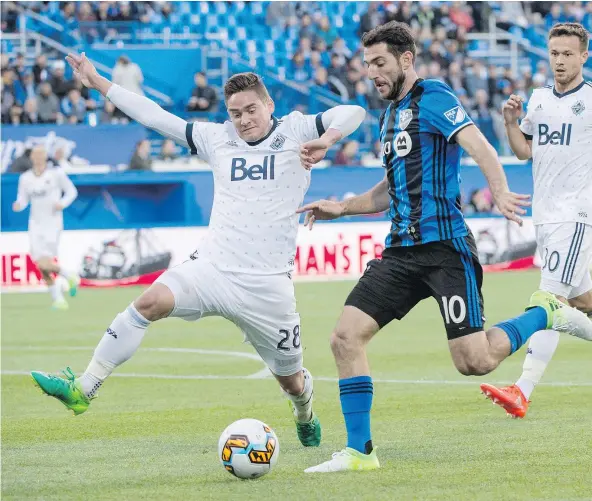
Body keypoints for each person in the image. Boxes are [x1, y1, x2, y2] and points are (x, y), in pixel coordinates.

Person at [30, 53, 366, 449]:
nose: (243, 119)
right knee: (148, 302)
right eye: (235, 112)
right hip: (212, 269)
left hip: (268, 285)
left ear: (269, 104)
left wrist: (327, 139)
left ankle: (303, 410)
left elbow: (354, 110)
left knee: (291, 379)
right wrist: (99, 82)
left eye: (251, 109)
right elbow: (155, 116)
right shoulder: (216, 138)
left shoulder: (296, 130)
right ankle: (84, 389)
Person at [299, 21, 591, 473]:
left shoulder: (434, 97)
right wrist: (343, 207)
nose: (371, 73)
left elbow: (481, 146)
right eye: (367, 64)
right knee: (344, 337)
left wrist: (497, 189)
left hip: (446, 250)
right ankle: (360, 452)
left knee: (474, 362)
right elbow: (386, 192)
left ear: (406, 59)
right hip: (400, 252)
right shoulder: (390, 115)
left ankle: (545, 314)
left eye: (379, 63)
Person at [481, 23, 592, 418]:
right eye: (554, 54)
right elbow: (524, 151)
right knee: (581, 302)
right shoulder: (539, 99)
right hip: (546, 218)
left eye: (567, 54)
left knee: (549, 301)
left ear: (584, 55)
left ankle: (522, 390)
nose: (560, 61)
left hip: (575, 216)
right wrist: (511, 122)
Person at [12, 145, 79, 309]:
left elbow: (72, 191)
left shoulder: (56, 174)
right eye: (36, 154)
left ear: (46, 156)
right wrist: (19, 205)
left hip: (53, 223)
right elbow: (23, 198)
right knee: (40, 264)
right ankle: (59, 298)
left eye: (42, 154)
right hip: (35, 224)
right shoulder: (25, 178)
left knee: (44, 263)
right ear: (32, 157)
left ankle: (69, 277)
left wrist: (62, 203)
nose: (39, 157)